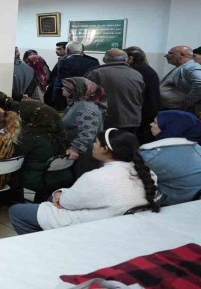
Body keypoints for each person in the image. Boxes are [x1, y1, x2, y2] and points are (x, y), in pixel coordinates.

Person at [8, 129, 159, 235]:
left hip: (94, 224)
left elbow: (68, 203)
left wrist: (59, 194)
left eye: (96, 142)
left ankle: (41, 244)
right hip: (117, 222)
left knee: (17, 211)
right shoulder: (147, 173)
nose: (93, 145)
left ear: (105, 149)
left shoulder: (97, 177)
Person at [139, 111, 201, 205]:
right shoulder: (198, 148)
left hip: (169, 205)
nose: (151, 124)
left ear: (171, 128)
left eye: (155, 122)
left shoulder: (152, 156)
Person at [16, 101, 71, 201]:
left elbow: (13, 157)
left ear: (31, 116)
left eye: (20, 113)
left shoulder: (29, 137)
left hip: (35, 181)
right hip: (59, 178)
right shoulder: (58, 133)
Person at [84, 49, 145, 132]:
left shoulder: (95, 73)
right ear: (126, 60)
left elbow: (85, 98)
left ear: (104, 59)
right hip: (132, 120)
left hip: (106, 121)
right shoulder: (137, 74)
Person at [60, 77, 107, 178]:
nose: (62, 88)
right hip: (82, 154)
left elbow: (88, 132)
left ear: (77, 90)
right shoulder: (78, 103)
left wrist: (75, 148)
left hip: (84, 156)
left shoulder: (86, 108)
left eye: (66, 87)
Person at [46, 41, 98, 110]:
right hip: (88, 95)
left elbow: (62, 81)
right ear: (82, 50)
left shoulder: (64, 62)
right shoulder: (94, 61)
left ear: (67, 50)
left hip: (67, 96)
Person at [125, 46, 161, 143]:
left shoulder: (133, 71)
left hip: (142, 110)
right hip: (150, 109)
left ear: (130, 58)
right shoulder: (147, 69)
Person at [160, 45, 201, 114]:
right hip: (169, 109)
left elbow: (199, 83)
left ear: (182, 55)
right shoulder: (181, 67)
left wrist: (188, 101)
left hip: (177, 110)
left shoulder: (191, 66)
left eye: (170, 53)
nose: (166, 55)